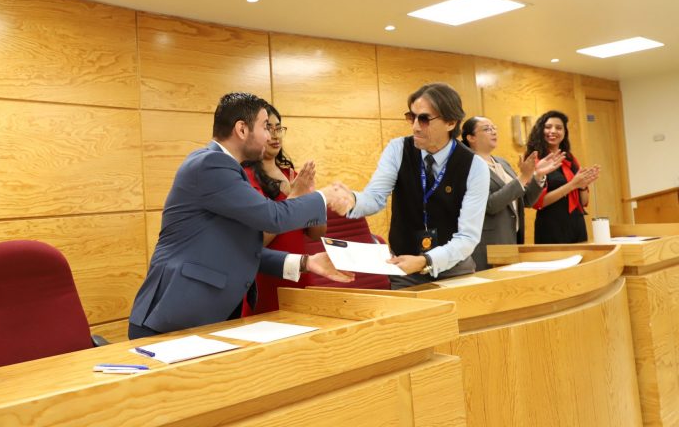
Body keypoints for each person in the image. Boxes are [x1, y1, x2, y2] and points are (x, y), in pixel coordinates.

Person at [129, 92, 354, 338]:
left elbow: (240, 247)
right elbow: (272, 217)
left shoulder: (227, 170)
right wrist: (325, 196)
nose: (270, 136)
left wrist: (306, 263)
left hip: (204, 317)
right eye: (265, 127)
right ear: (242, 129)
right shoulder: (211, 164)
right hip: (172, 318)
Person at [345, 83, 490, 289]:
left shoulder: (474, 166)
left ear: (450, 122)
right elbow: (375, 197)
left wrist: (426, 261)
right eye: (411, 117)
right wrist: (351, 200)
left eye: (424, 119)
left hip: (454, 269)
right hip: (404, 269)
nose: (415, 126)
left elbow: (467, 237)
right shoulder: (398, 149)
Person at [242, 104, 326, 314]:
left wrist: (313, 199)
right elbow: (256, 240)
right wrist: (294, 198)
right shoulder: (247, 178)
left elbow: (317, 234)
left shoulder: (293, 175)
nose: (275, 135)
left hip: (300, 271)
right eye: (267, 128)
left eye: (278, 128)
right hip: (267, 275)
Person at [461, 116, 564, 270]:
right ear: (471, 137)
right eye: (487, 129)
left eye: (494, 128)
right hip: (488, 242)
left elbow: (525, 200)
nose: (493, 132)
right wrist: (523, 177)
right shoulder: (468, 165)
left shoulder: (502, 162)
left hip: (511, 238)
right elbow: (490, 205)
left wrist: (538, 175)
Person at [525, 110, 600, 244]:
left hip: (577, 223)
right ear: (540, 130)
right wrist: (572, 185)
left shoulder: (570, 158)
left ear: (565, 133)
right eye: (548, 127)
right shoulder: (534, 159)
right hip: (551, 225)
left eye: (559, 128)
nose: (553, 131)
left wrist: (582, 186)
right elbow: (537, 202)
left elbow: (583, 202)